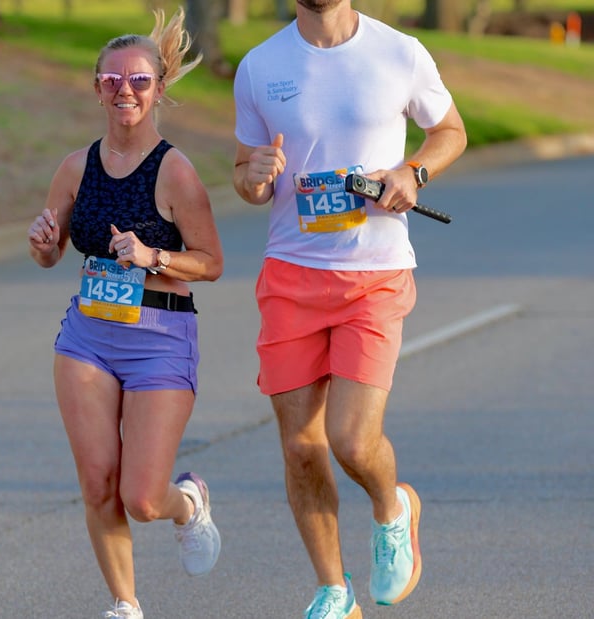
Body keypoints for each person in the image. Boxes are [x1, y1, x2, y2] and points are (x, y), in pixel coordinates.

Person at [232, 2, 467, 618]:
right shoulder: (261, 67)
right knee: (300, 446)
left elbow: (450, 131)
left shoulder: (400, 52)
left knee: (352, 440)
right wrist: (253, 176)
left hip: (375, 274)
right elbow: (246, 176)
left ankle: (394, 508)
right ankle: (334, 591)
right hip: (290, 275)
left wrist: (413, 171)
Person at [28, 8, 223, 618]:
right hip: (87, 335)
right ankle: (125, 604)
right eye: (112, 81)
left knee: (141, 496)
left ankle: (187, 504)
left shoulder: (176, 172)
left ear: (159, 88)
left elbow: (211, 262)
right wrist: (41, 243)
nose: (125, 91)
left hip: (161, 337)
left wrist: (152, 254)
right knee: (97, 482)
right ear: (97, 89)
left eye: (138, 80)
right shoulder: (75, 167)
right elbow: (51, 251)